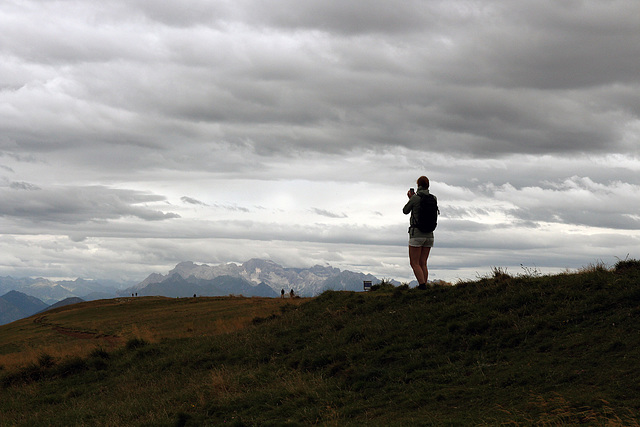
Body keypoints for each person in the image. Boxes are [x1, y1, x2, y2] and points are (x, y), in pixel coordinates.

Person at [403, 176, 435, 290]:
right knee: (423, 263)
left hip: (416, 234)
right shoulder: (433, 198)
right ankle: (424, 285)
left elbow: (405, 210)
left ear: (418, 185)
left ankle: (422, 286)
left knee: (414, 263)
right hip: (430, 235)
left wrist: (410, 198)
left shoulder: (415, 198)